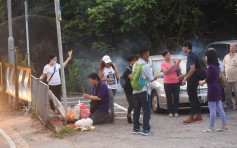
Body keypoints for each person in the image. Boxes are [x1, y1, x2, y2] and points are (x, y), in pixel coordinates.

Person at [199, 49, 227, 133]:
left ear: (209, 57)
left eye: (206, 56)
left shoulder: (210, 67)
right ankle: (224, 125)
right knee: (219, 108)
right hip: (217, 87)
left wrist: (202, 82)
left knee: (212, 109)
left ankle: (211, 127)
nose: (205, 57)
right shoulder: (216, 66)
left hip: (212, 89)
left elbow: (208, 79)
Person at [132, 49, 157, 136]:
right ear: (144, 55)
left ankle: (136, 128)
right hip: (144, 91)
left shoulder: (135, 64)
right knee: (146, 110)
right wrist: (155, 77)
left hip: (135, 90)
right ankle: (146, 130)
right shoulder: (145, 65)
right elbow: (151, 79)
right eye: (147, 55)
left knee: (136, 110)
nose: (148, 56)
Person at [179, 40, 202, 124]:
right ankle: (198, 115)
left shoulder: (191, 56)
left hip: (192, 80)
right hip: (193, 79)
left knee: (192, 98)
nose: (182, 48)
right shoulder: (192, 55)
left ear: (186, 47)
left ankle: (191, 116)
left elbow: (192, 69)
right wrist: (184, 75)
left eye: (183, 47)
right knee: (194, 97)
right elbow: (190, 70)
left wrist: (185, 79)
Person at [99, 55, 120, 123]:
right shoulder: (102, 69)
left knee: (110, 100)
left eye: (108, 62)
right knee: (111, 98)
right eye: (106, 62)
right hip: (107, 86)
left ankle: (109, 112)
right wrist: (106, 79)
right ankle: (112, 116)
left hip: (114, 85)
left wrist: (120, 78)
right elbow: (100, 79)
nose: (108, 63)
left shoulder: (113, 65)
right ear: (104, 62)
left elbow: (117, 74)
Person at [160, 50, 181, 118]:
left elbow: (179, 70)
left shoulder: (175, 61)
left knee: (176, 97)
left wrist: (177, 66)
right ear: (164, 57)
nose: (168, 56)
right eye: (167, 55)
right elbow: (166, 72)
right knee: (169, 98)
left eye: (169, 55)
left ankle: (176, 112)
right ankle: (170, 112)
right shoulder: (163, 64)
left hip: (176, 82)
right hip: (167, 83)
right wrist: (172, 66)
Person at [123, 55, 138, 124]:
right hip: (128, 90)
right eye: (134, 60)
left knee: (136, 105)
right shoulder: (128, 70)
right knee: (132, 104)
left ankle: (136, 120)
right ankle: (128, 115)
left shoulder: (136, 68)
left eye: (136, 60)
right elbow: (132, 78)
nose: (135, 61)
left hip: (135, 89)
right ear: (130, 61)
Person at [223, 43, 237, 110]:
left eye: (232, 46)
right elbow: (224, 66)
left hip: (236, 78)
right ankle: (229, 105)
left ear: (236, 48)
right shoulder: (226, 56)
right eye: (230, 46)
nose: (230, 47)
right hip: (228, 78)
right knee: (228, 93)